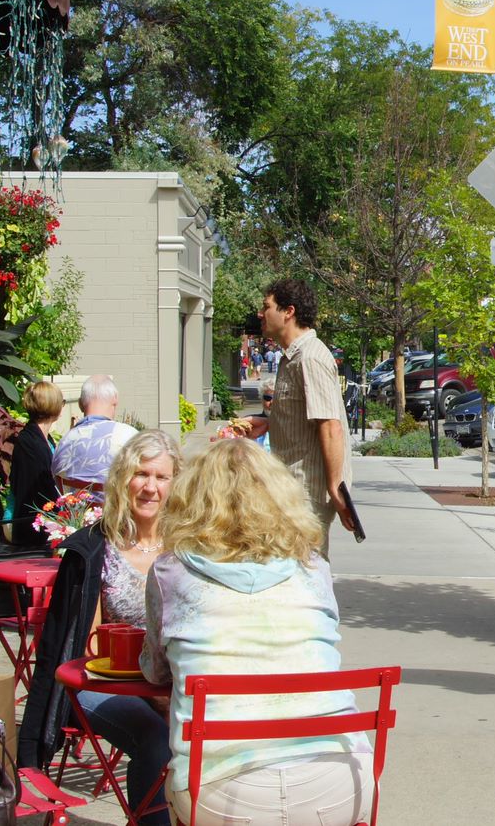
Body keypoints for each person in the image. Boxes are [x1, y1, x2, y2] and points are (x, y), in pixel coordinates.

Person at [142, 439, 371, 826]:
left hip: (222, 792)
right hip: (341, 783)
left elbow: (157, 672)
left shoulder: (171, 572)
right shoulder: (314, 568)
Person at [75, 429, 182, 826]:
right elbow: (87, 645)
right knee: (156, 738)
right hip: (103, 684)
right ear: (124, 479)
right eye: (141, 475)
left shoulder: (186, 547)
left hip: (173, 686)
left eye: (161, 477)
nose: (150, 487)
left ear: (175, 484)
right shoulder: (98, 546)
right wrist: (147, 693)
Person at [243, 279, 353, 556]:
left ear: (288, 311)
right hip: (291, 490)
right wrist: (270, 424)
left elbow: (330, 427)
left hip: (307, 495)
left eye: (266, 306)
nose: (261, 313)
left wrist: (335, 488)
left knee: (306, 577)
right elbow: (309, 418)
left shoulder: (310, 358)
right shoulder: (292, 358)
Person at [53, 374, 139, 488]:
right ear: (115, 400)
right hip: (117, 505)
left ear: (80, 404)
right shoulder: (130, 437)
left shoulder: (65, 442)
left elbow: (55, 479)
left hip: (73, 505)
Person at [8, 381, 64, 546]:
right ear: (54, 406)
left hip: (39, 516)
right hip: (28, 525)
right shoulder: (31, 443)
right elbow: (37, 490)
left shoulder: (43, 438)